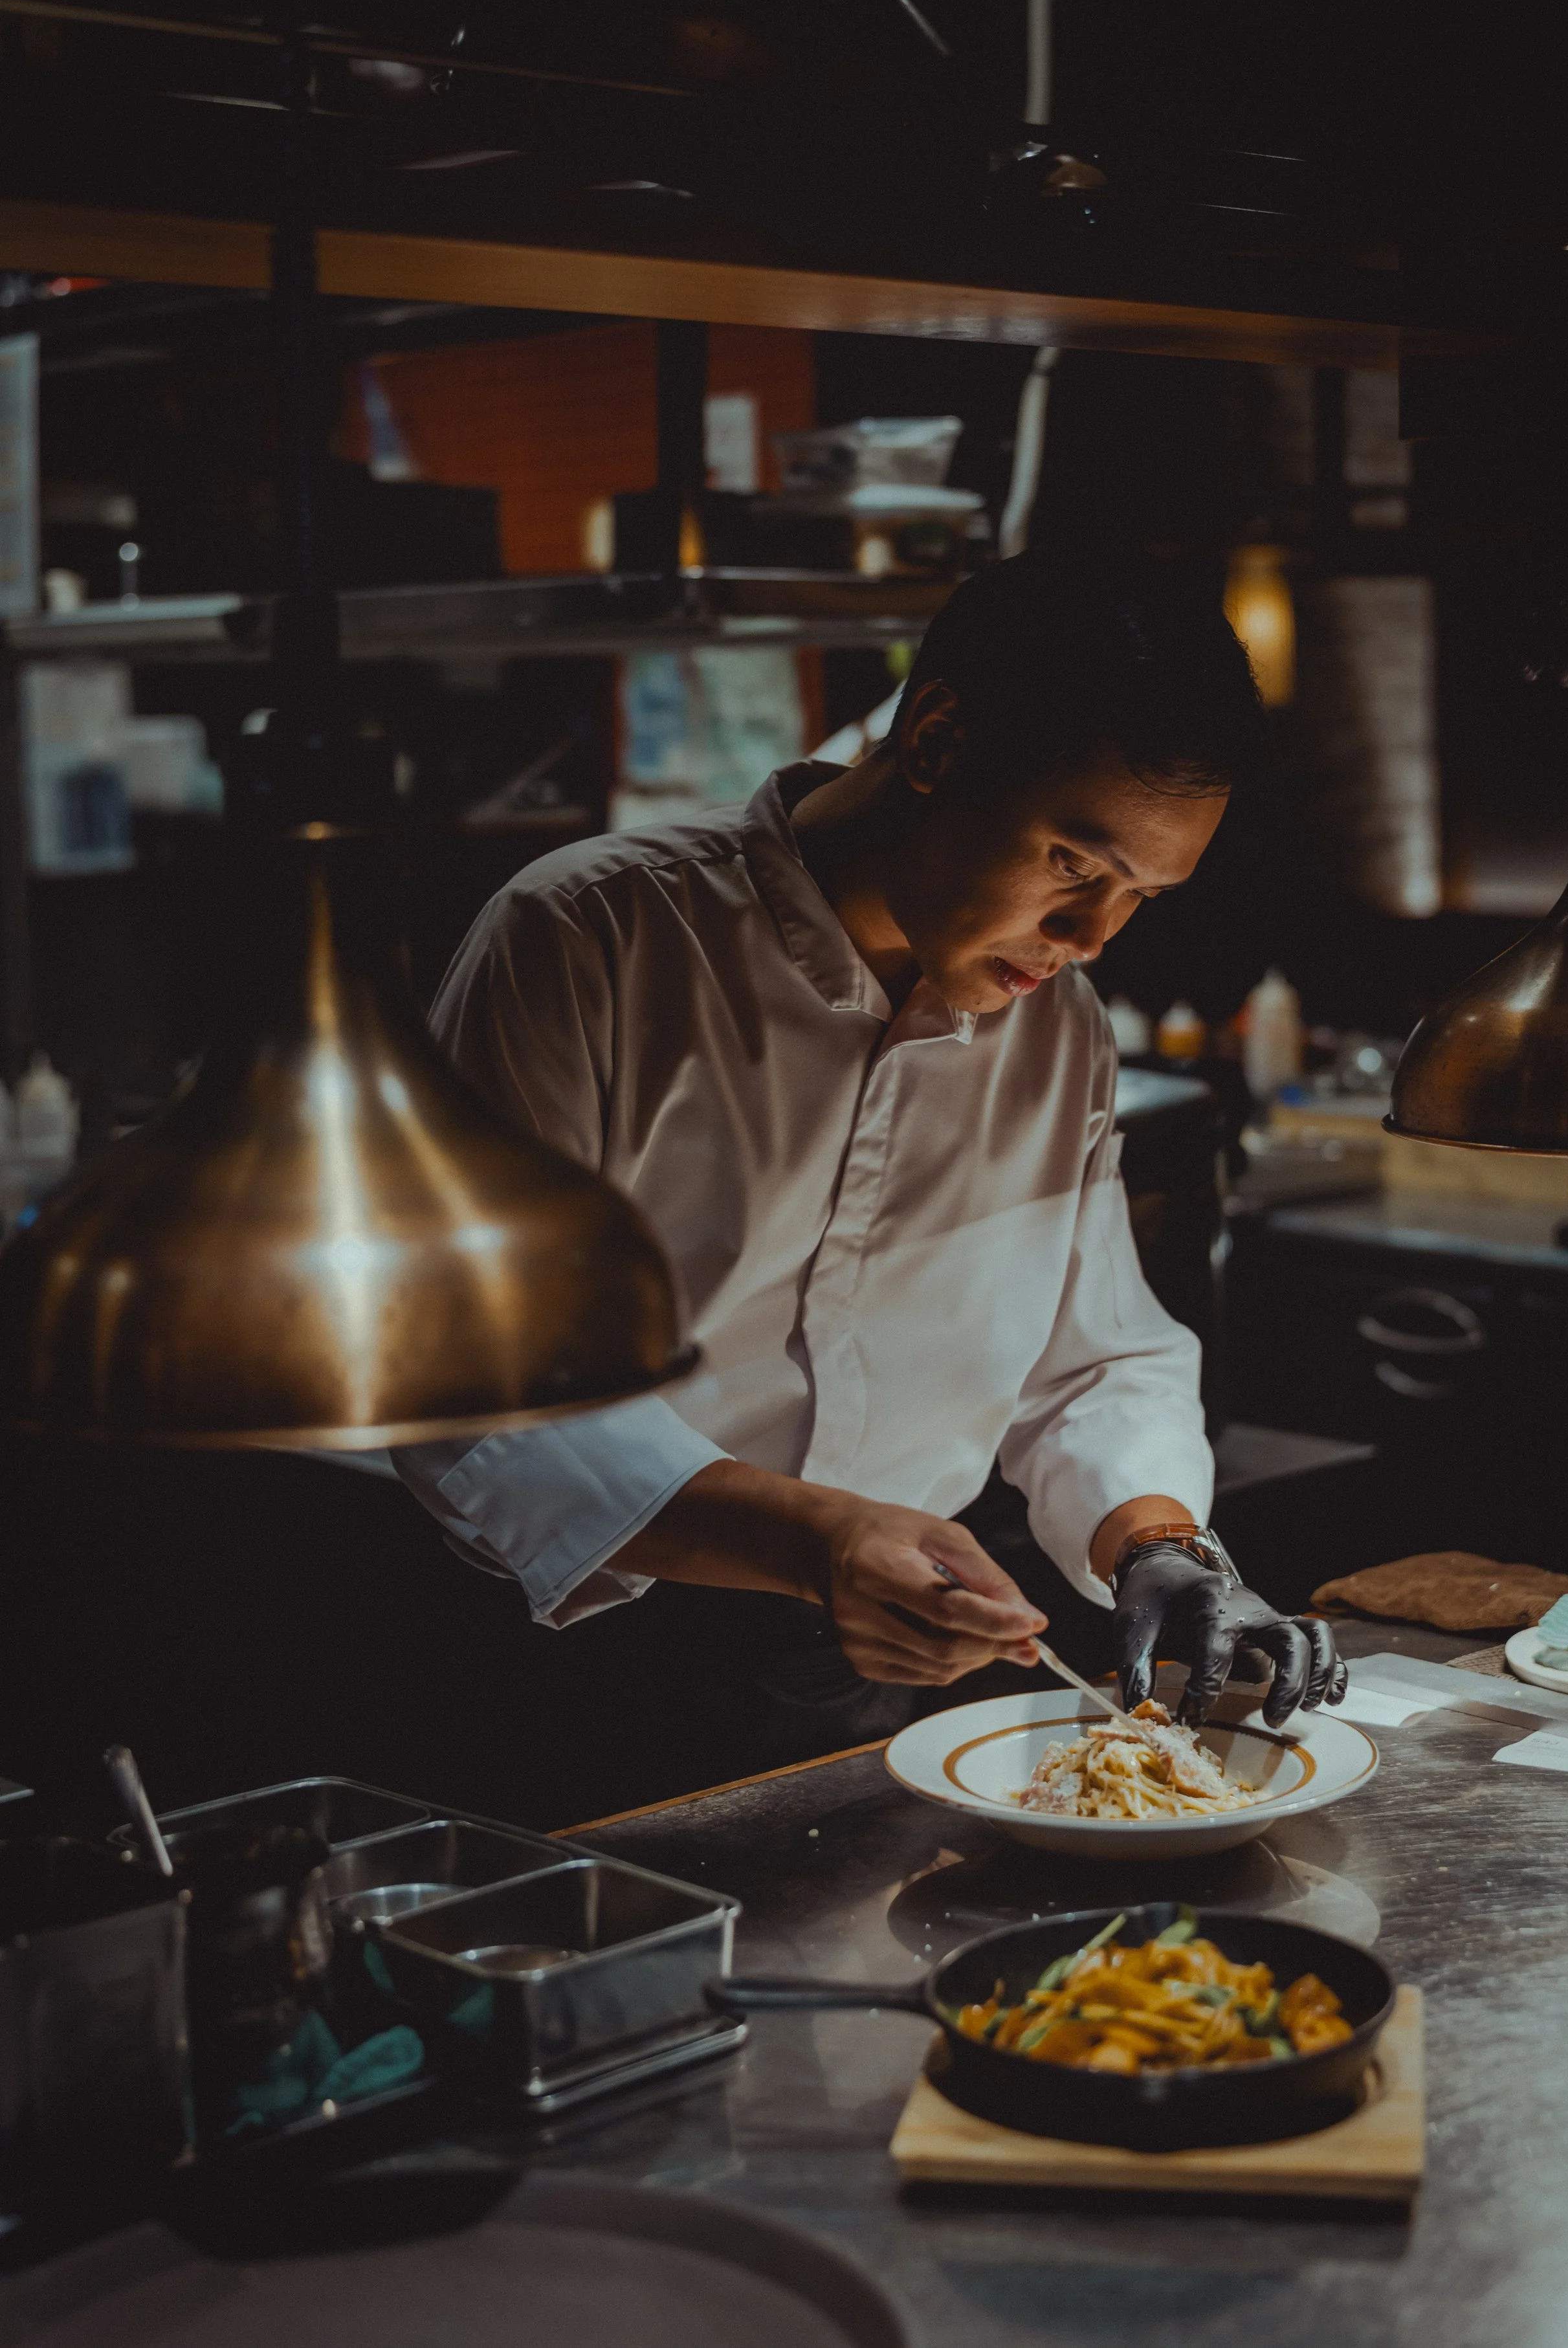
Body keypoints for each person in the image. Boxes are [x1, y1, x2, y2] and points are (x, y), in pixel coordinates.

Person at [393, 553, 1345, 1749]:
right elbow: (472, 1384)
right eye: (1073, 865)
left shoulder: (1058, 1031)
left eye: (1141, 896)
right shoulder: (588, 942)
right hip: (576, 1653)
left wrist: (1160, 1546)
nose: (1093, 936)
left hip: (874, 1664)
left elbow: (1089, 1360)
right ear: (937, 738)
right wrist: (817, 1540)